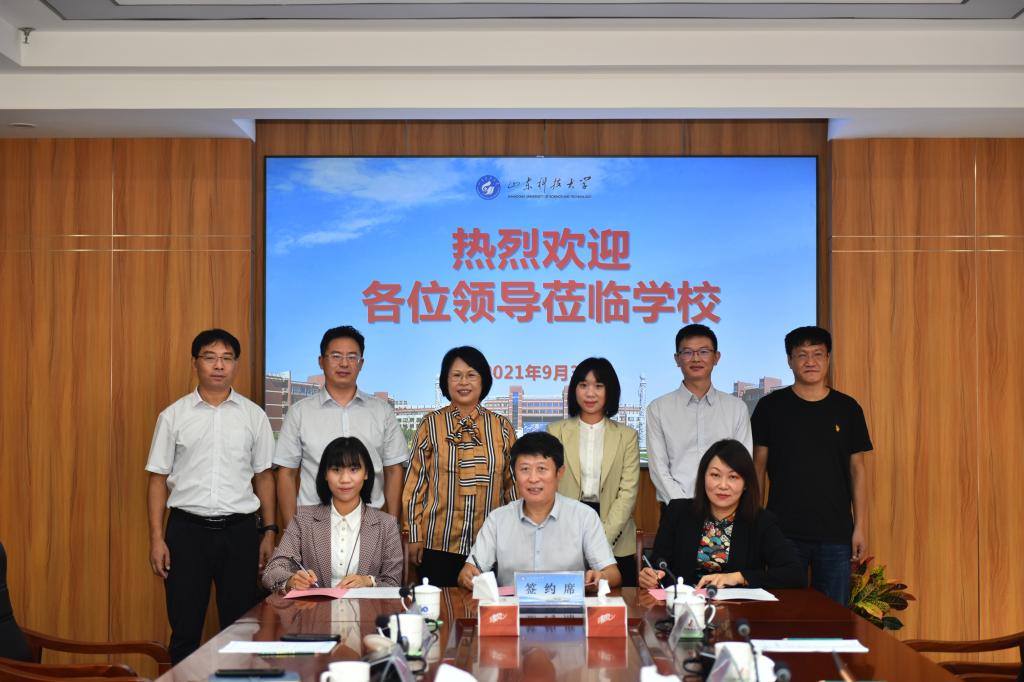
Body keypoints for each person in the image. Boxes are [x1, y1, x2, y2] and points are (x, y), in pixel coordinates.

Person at [145, 329, 277, 664]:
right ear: (195, 362)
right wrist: (157, 538)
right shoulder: (173, 416)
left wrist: (269, 531)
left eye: (227, 358)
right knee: (185, 630)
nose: (219, 365)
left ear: (235, 364)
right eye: (210, 357)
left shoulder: (254, 416)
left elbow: (264, 476)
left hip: (240, 532)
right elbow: (157, 479)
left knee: (241, 628)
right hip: (186, 533)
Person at [751, 325, 872, 604]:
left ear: (828, 358)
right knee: (783, 614)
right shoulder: (770, 407)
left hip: (836, 534)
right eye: (802, 355)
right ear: (789, 360)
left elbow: (858, 470)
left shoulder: (848, 408)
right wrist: (758, 524)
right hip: (783, 532)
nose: (810, 361)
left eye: (818, 354)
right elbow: (758, 467)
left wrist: (860, 526)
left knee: (833, 617)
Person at [403, 346, 517, 586]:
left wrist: (517, 536)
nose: (463, 382)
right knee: (438, 607)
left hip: (490, 546)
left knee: (486, 608)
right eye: (456, 375)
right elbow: (415, 484)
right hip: (437, 543)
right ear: (446, 381)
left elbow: (513, 488)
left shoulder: (502, 427)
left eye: (471, 375)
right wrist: (413, 534)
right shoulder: (430, 424)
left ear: (484, 380)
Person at [274, 326, 407, 531]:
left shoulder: (382, 411)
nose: (344, 363)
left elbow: (393, 470)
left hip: (370, 523)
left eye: (352, 357)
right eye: (336, 356)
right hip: (314, 524)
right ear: (321, 361)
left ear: (361, 363)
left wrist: (391, 527)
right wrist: (292, 531)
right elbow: (286, 474)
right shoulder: (299, 412)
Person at [458, 432, 622, 590]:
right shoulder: (498, 519)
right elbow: (468, 572)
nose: (533, 478)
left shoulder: (584, 516)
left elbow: (613, 574)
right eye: (524, 469)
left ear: (559, 473)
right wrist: (468, 576)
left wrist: (600, 577)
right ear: (514, 474)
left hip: (567, 607)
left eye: (542, 469)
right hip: (511, 607)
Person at [638, 439, 803, 591]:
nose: (723, 485)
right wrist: (650, 576)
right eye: (715, 475)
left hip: (737, 610)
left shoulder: (761, 521)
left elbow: (795, 573)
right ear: (703, 477)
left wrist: (739, 577)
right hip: (683, 607)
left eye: (733, 477)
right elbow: (658, 564)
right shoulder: (678, 512)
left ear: (746, 484)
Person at [263, 437, 403, 592]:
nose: (345, 479)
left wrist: (369, 581)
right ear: (325, 474)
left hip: (366, 607)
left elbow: (393, 583)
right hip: (315, 607)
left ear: (366, 473)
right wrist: (291, 580)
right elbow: (272, 571)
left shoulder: (387, 525)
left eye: (353, 469)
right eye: (336, 470)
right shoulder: (303, 519)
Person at [548, 358, 640, 586]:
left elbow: (627, 493)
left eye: (598, 386)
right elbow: (550, 485)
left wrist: (601, 541)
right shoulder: (555, 431)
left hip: (615, 531)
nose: (590, 393)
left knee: (618, 601)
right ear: (574, 390)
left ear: (610, 391)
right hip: (566, 530)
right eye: (583, 385)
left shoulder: (627, 436)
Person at [646, 324, 752, 508]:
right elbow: (659, 470)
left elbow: (742, 464)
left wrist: (720, 504)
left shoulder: (737, 408)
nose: (696, 358)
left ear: (716, 357)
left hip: (725, 510)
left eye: (704, 352)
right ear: (677, 359)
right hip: (676, 511)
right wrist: (684, 508)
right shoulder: (658, 409)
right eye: (687, 352)